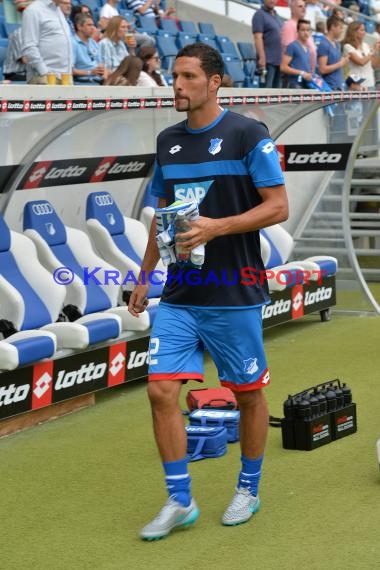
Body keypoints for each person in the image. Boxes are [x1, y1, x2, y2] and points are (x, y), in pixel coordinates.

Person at [128, 42, 288, 541]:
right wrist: (143, 275)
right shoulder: (167, 142)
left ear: (214, 81)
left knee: (248, 394)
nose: (176, 85)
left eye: (188, 77)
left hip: (234, 292)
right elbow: (162, 216)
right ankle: (180, 500)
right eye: (174, 76)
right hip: (180, 294)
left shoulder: (247, 134)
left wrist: (218, 228)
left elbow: (278, 206)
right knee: (160, 391)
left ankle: (249, 487)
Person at [21, 0, 72, 84]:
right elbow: (29, 46)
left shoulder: (58, 10)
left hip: (65, 77)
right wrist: (44, 72)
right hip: (44, 78)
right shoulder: (33, 10)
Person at [252, 0, 283, 88]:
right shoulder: (259, 14)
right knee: (266, 92)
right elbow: (258, 37)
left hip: (278, 61)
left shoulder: (277, 15)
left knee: (277, 93)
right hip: (268, 62)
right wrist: (262, 58)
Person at [281, 0, 317, 73]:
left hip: (307, 72)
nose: (304, 9)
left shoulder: (303, 25)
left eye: (305, 6)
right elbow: (288, 51)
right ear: (292, 9)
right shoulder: (289, 26)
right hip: (298, 74)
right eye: (300, 6)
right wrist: (301, 73)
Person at [342, 21, 380, 89]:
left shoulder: (365, 45)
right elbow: (361, 62)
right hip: (356, 86)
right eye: (362, 30)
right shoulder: (347, 46)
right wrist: (372, 51)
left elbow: (374, 65)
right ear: (354, 32)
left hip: (370, 84)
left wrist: (378, 51)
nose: (364, 32)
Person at [72, 13, 105, 84]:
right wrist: (90, 72)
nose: (93, 28)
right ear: (79, 27)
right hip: (82, 83)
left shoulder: (93, 43)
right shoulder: (73, 43)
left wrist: (101, 68)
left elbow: (100, 63)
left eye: (93, 25)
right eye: (89, 25)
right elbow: (70, 70)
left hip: (98, 81)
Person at [317, 14, 349, 90]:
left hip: (339, 87)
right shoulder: (324, 44)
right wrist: (341, 63)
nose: (342, 31)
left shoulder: (337, 44)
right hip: (329, 87)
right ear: (332, 27)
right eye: (340, 28)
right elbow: (322, 69)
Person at [281, 19, 314, 87]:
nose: (306, 33)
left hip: (305, 85)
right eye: (303, 30)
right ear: (297, 31)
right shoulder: (292, 46)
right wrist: (301, 73)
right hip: (294, 85)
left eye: (308, 30)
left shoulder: (308, 48)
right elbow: (283, 67)